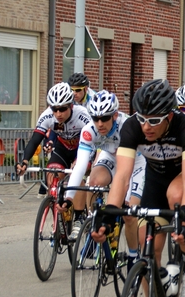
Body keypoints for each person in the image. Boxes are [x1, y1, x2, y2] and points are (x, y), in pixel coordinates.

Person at [93, 79, 185, 297]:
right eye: (141, 118)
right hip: (156, 178)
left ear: (169, 116)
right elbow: (122, 176)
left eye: (154, 120)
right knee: (146, 244)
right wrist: (108, 216)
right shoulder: (132, 128)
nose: (146, 126)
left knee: (176, 195)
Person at [60, 90, 145, 265]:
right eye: (95, 118)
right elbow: (81, 165)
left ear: (114, 115)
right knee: (94, 182)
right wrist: (69, 198)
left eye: (104, 118)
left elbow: (125, 173)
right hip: (110, 156)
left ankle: (133, 255)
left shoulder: (127, 126)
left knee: (129, 213)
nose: (99, 123)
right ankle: (96, 220)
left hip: (136, 162)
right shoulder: (89, 131)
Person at [16, 83, 93, 229]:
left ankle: (78, 217)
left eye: (62, 109)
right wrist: (24, 161)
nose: (58, 114)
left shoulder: (82, 116)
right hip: (62, 149)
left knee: (78, 173)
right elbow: (35, 140)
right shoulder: (47, 116)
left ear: (71, 106)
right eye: (54, 109)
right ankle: (56, 210)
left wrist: (81, 161)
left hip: (82, 149)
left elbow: (94, 142)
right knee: (52, 174)